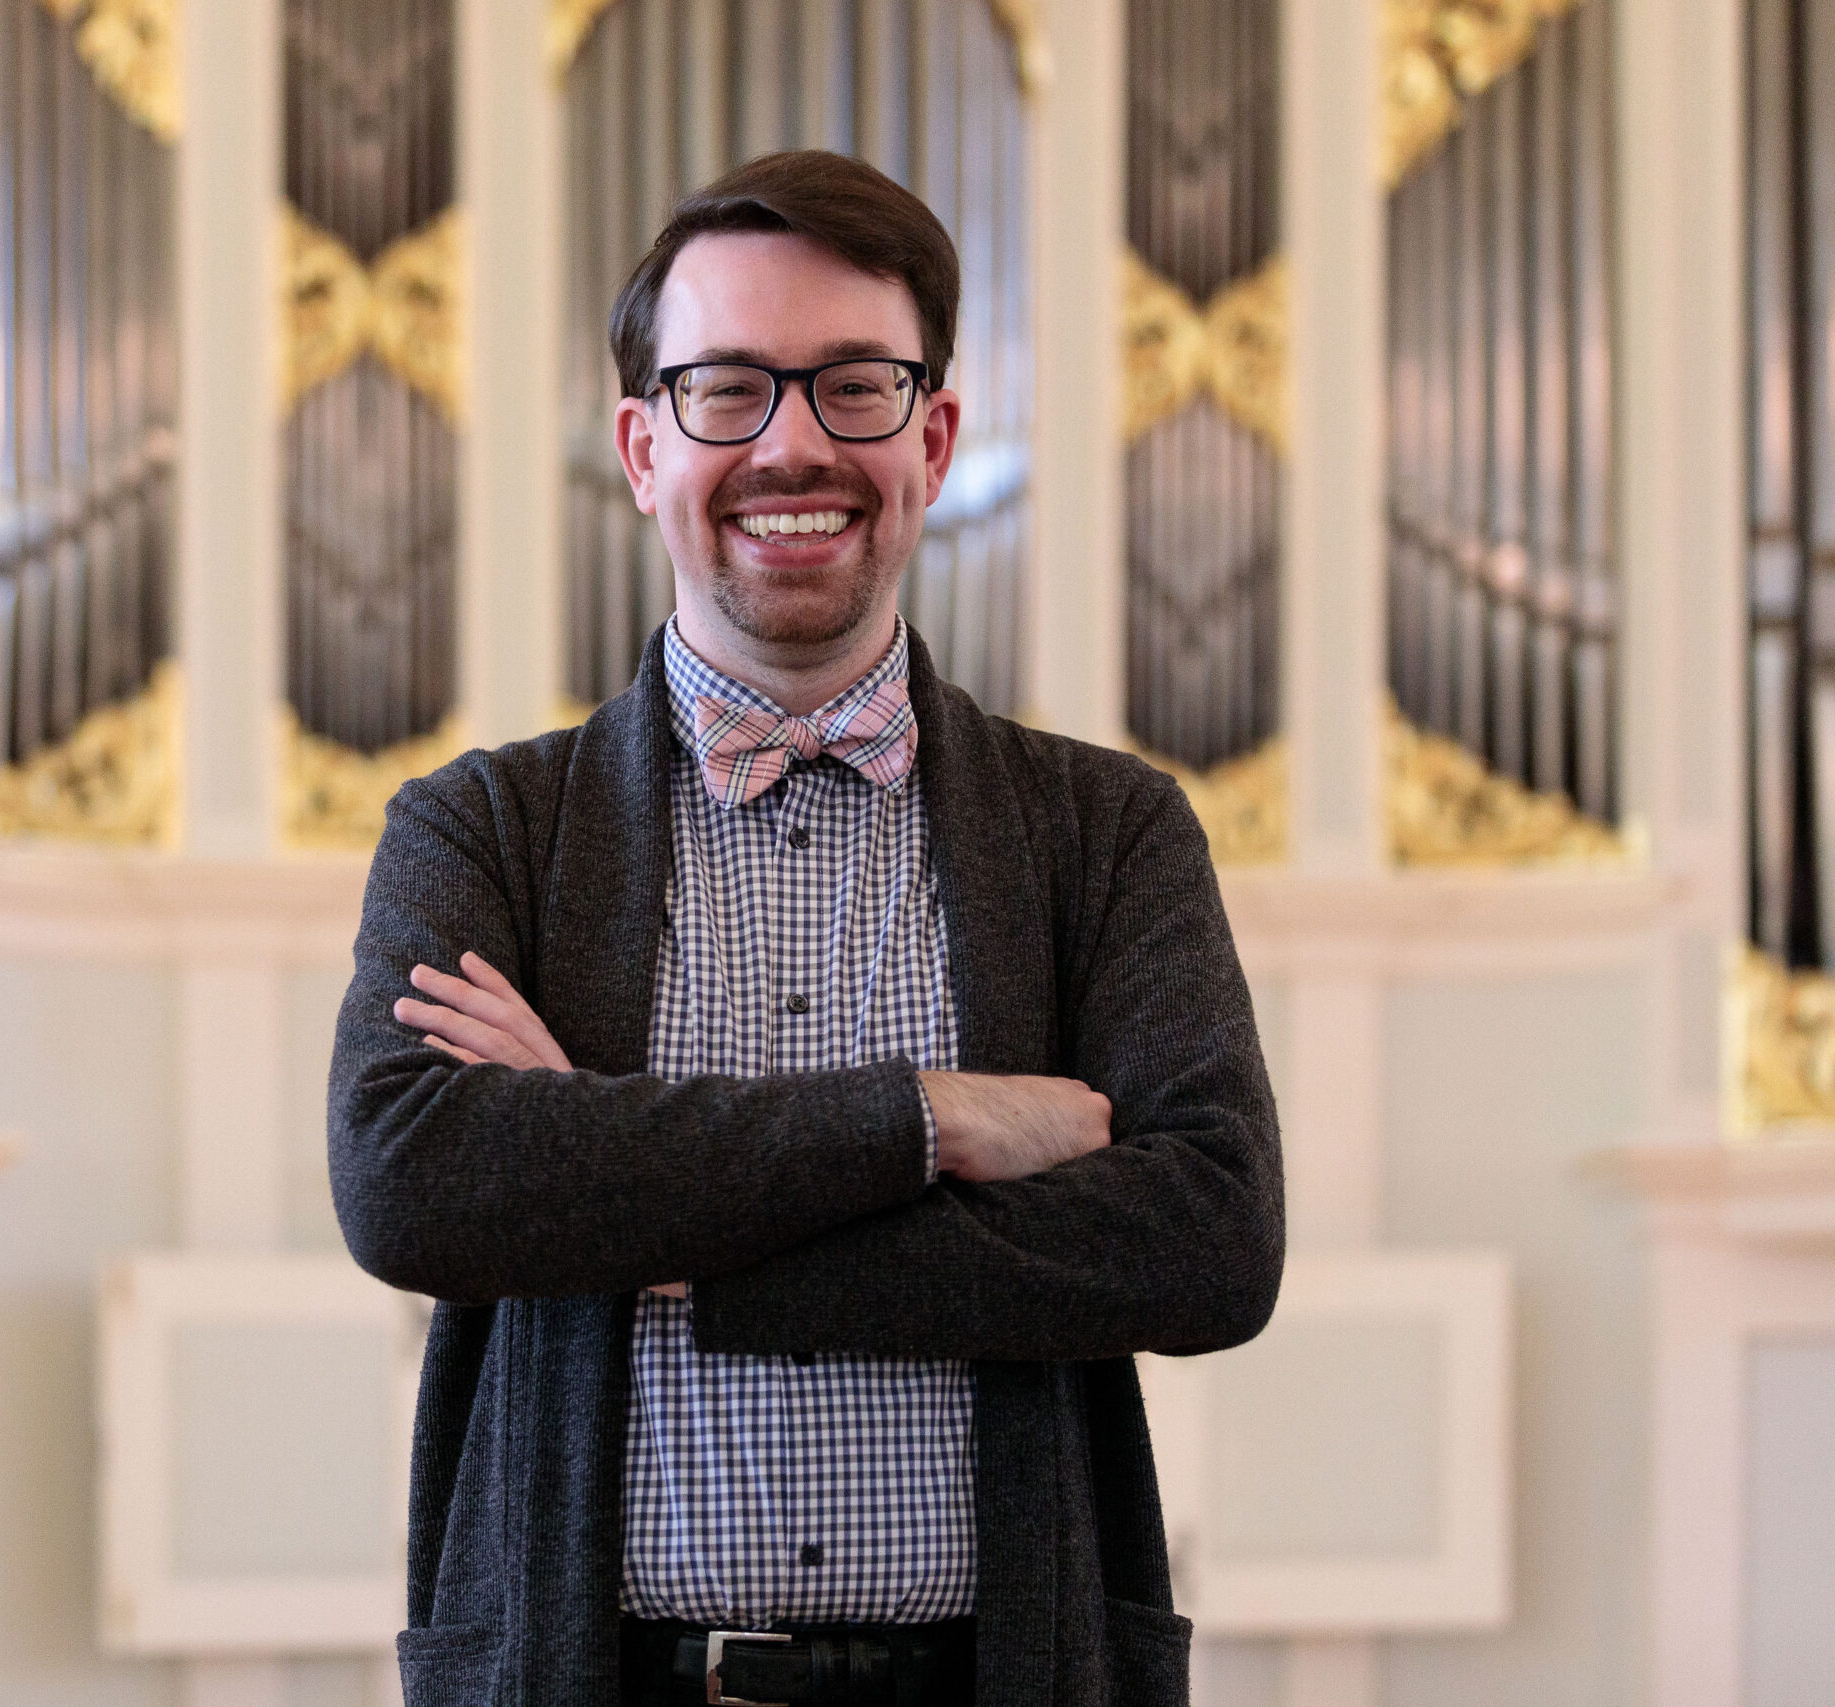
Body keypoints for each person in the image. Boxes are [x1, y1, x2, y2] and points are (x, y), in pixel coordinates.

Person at [328, 149, 1282, 1707]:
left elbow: (1213, 1239)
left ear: (935, 437)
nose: (791, 445)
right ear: (643, 447)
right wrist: (930, 1122)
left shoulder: (1108, 832)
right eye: (726, 392)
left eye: (854, 387)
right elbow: (412, 1187)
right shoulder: (480, 826)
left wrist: (632, 1201)